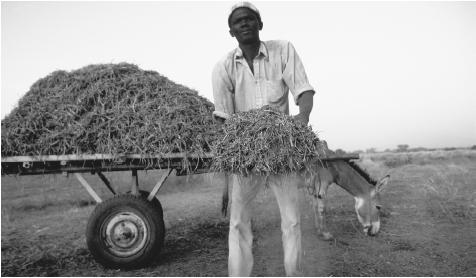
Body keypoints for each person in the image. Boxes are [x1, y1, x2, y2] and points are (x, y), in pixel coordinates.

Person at [211, 2, 315, 276]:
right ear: (231, 32)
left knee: (291, 220)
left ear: (260, 24)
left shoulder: (283, 50)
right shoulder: (223, 67)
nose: (244, 24)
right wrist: (229, 173)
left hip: (281, 147)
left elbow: (303, 91)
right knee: (237, 222)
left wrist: (301, 122)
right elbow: (224, 119)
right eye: (238, 22)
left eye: (249, 19)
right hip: (246, 152)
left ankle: (294, 273)